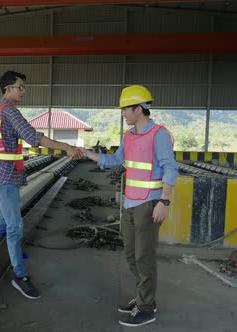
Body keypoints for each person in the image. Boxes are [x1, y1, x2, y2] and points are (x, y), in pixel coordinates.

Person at [0, 70, 83, 299]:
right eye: (20, 87)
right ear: (8, 89)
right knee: (15, 227)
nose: (23, 91)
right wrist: (67, 147)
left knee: (5, 221)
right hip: (6, 177)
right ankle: (20, 276)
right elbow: (33, 137)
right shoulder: (9, 111)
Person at [83, 85, 178, 327]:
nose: (123, 113)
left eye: (126, 109)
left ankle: (147, 308)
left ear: (139, 108)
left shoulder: (159, 135)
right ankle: (142, 298)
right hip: (130, 205)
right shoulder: (130, 136)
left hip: (150, 204)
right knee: (131, 256)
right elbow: (115, 160)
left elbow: (170, 168)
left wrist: (164, 202)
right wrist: (87, 154)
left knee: (144, 258)